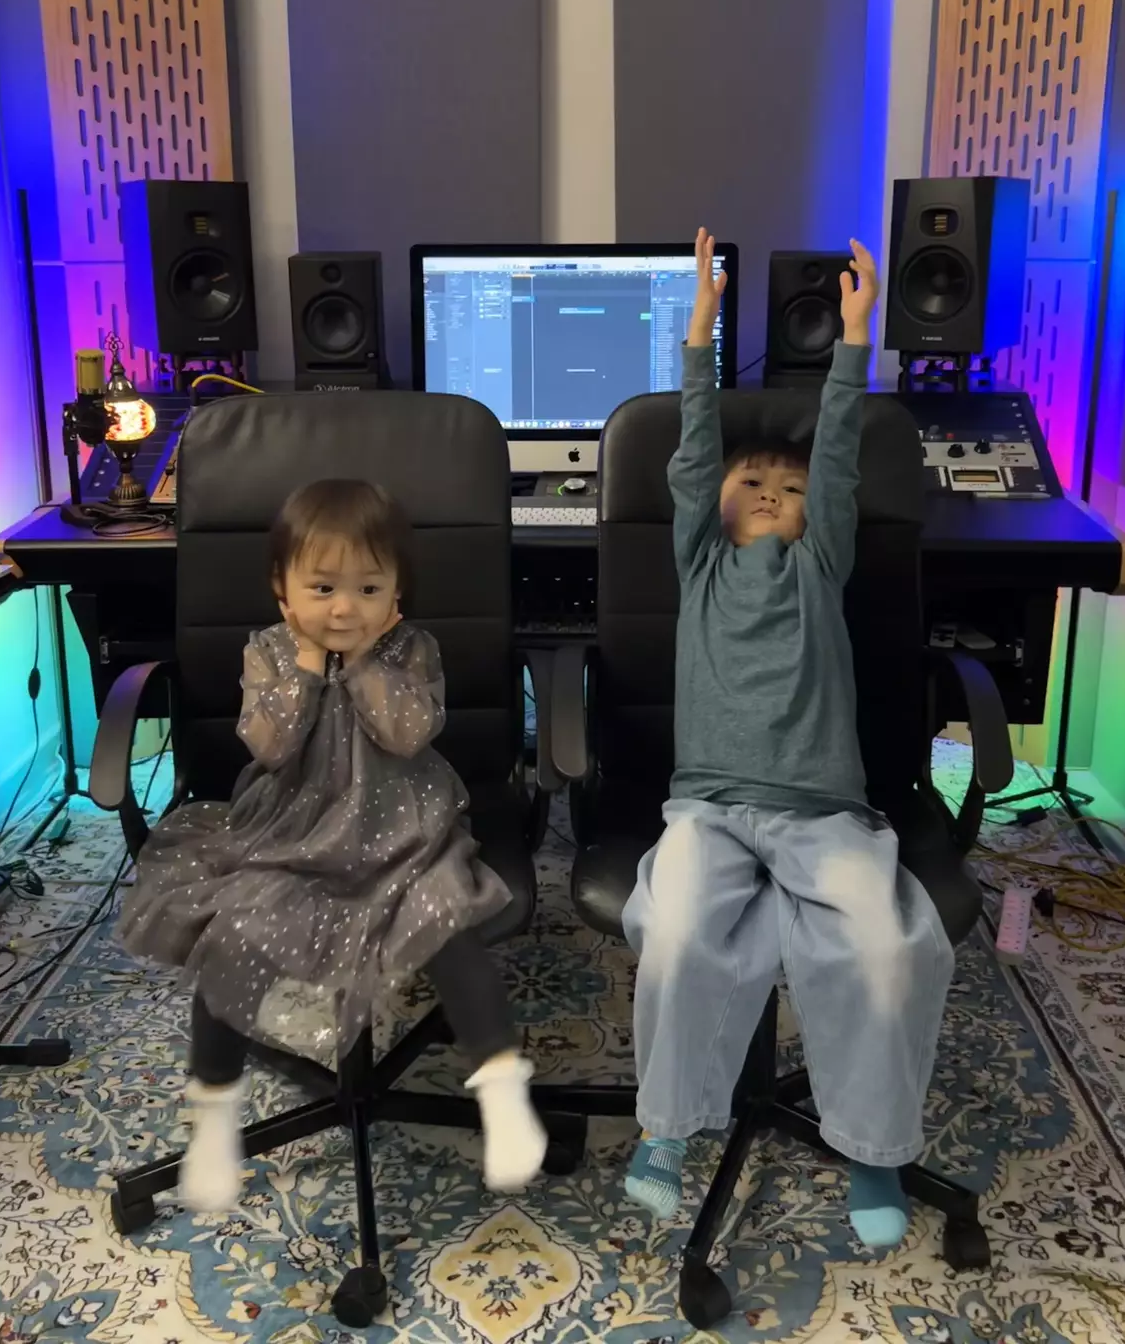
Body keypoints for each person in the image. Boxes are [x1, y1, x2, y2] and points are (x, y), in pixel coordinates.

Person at [621, 228, 954, 1250]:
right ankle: (668, 1129)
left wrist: (856, 340)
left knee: (884, 947)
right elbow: (692, 457)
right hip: (710, 809)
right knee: (676, 931)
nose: (772, 492)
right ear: (716, 508)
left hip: (825, 812)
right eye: (751, 483)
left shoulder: (819, 566)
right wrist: (700, 333)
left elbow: (840, 457)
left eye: (790, 490)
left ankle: (873, 1142)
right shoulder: (700, 564)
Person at [119, 477, 547, 1212]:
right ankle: (213, 1115)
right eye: (322, 588)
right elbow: (270, 745)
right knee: (234, 932)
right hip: (289, 830)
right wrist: (311, 670)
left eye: (368, 589)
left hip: (405, 831)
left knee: (447, 916)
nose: (345, 608)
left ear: (397, 593)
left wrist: (367, 664)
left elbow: (409, 734)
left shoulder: (412, 649)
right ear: (283, 591)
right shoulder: (269, 651)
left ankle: (502, 1088)